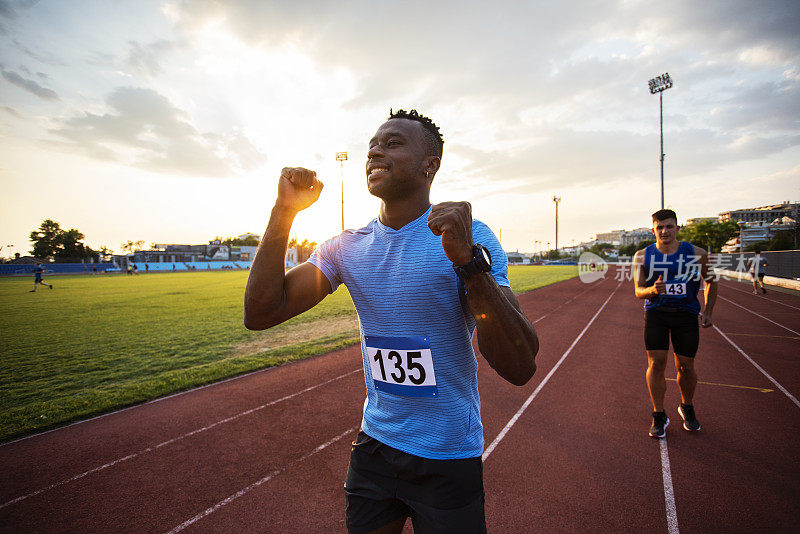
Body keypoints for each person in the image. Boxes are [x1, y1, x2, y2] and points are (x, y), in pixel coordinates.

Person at [244, 109, 539, 533]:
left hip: (448, 456)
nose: (376, 151)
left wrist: (469, 264)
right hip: (375, 450)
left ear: (430, 165)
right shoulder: (346, 247)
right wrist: (284, 211)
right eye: (373, 145)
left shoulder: (469, 237)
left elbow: (519, 366)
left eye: (394, 143)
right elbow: (262, 312)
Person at [633, 209, 718, 438]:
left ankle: (687, 406)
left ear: (678, 228)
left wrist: (708, 311)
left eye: (669, 226)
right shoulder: (642, 255)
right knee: (656, 363)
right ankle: (658, 414)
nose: (664, 231)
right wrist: (652, 290)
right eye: (659, 227)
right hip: (656, 314)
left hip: (686, 315)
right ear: (653, 230)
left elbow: (710, 280)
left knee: (685, 366)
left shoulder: (696, 253)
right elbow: (638, 291)